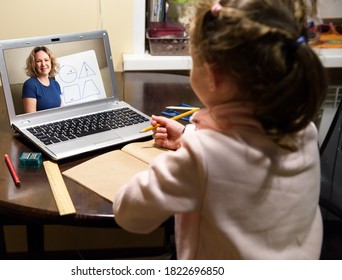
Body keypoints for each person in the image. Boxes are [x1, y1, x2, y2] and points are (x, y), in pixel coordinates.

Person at [113, 0, 328, 259]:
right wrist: (186, 136)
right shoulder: (304, 130)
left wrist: (182, 157)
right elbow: (237, 156)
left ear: (214, 76)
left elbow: (130, 214)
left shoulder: (200, 159)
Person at [22, 46, 63, 113]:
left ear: (51, 63)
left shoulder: (56, 84)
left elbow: (62, 111)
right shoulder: (30, 85)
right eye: (38, 61)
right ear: (33, 65)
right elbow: (31, 117)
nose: (43, 64)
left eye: (46, 60)